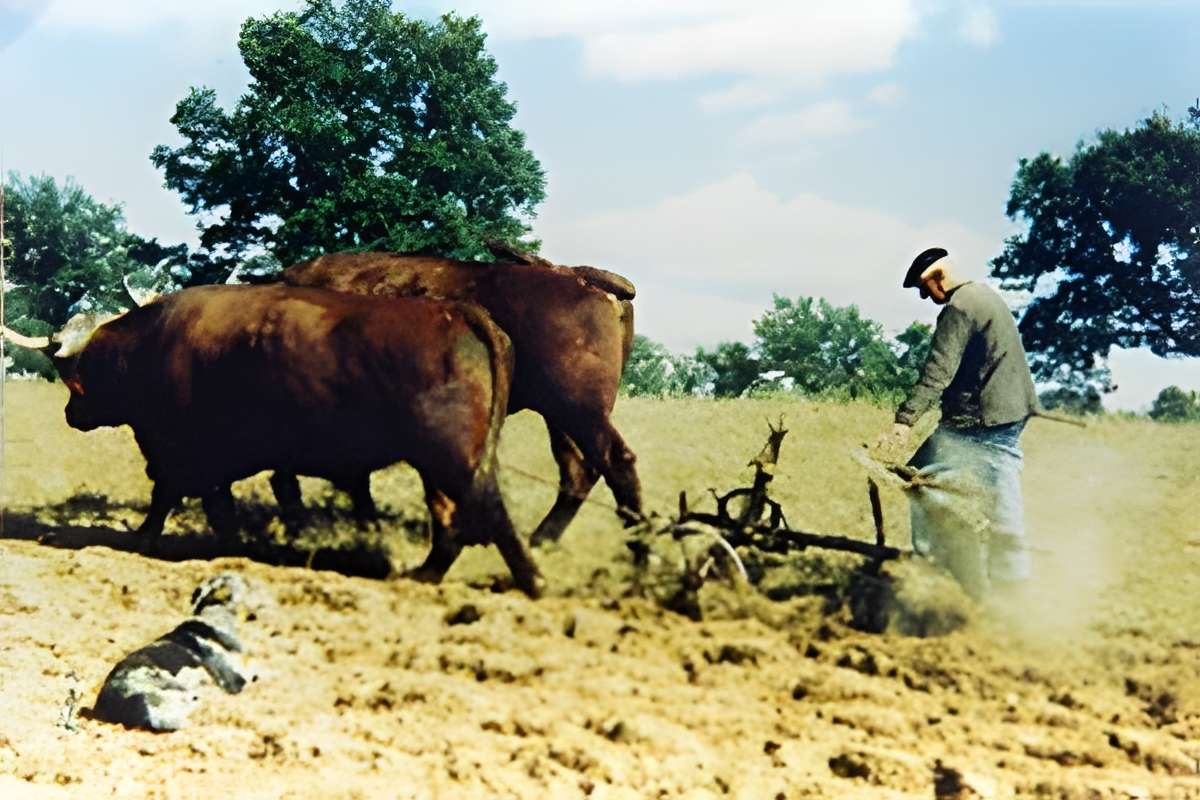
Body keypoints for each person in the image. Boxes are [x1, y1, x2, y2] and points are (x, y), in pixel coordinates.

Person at [874, 247, 1039, 596]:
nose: (925, 297)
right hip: (1006, 412)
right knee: (954, 487)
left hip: (980, 421)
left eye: (924, 289)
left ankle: (937, 572)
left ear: (937, 279)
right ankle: (970, 571)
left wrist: (904, 421)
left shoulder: (959, 308)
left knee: (922, 481)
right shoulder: (985, 296)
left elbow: (938, 373)